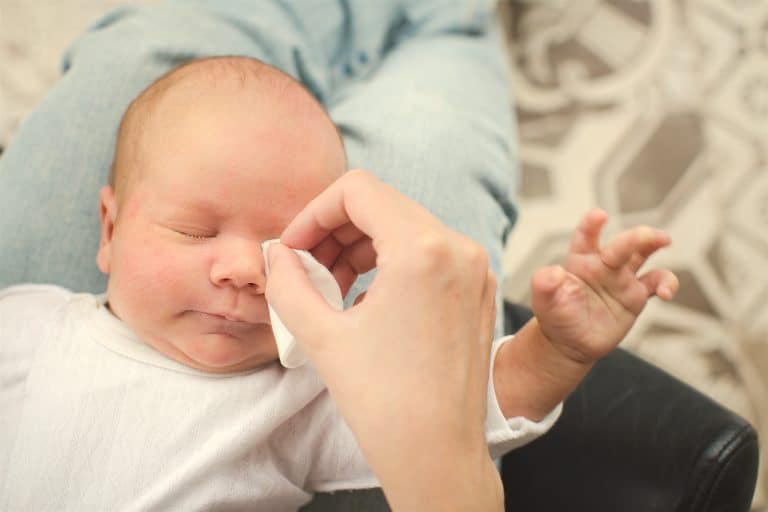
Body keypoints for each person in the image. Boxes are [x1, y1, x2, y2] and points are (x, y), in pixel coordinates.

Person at [0, 2, 679, 510]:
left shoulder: (291, 402)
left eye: (283, 245)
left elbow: (454, 410)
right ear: (109, 229)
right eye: (195, 230)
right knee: (437, 120)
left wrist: (552, 354)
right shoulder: (32, 326)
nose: (242, 270)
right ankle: (454, 20)